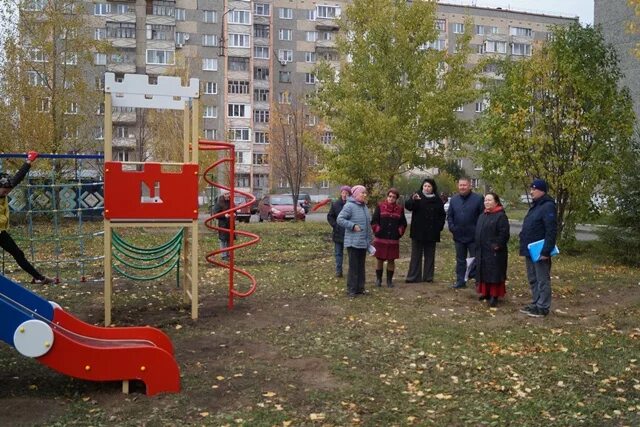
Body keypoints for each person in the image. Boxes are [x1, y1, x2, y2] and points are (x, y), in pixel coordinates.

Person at [0, 151, 53, 285]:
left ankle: (39, 278)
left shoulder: (5, 190)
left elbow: (17, 178)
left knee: (18, 254)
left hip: (1, 233)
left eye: (9, 190)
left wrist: (29, 161)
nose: (7, 192)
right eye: (5, 190)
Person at [519, 179, 557, 318]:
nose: (531, 191)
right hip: (530, 250)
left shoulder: (547, 206)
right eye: (531, 189)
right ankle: (536, 302)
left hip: (540, 251)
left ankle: (543, 307)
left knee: (542, 279)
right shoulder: (536, 206)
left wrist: (546, 250)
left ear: (542, 190)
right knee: (533, 278)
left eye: (534, 189)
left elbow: (551, 230)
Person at [404, 178, 446, 283]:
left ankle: (428, 277)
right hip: (418, 231)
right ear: (422, 187)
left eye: (429, 186)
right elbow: (408, 206)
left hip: (432, 232)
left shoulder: (437, 200)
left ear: (433, 188)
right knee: (416, 255)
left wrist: (439, 227)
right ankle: (413, 276)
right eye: (425, 186)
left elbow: (442, 215)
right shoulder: (417, 195)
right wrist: (413, 200)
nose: (426, 188)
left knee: (430, 255)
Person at [447, 177, 484, 289]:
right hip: (458, 235)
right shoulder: (454, 200)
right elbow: (450, 216)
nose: (462, 187)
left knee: (476, 260)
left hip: (473, 237)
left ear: (470, 186)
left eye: (465, 185)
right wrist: (452, 228)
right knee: (460, 260)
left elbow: (482, 217)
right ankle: (460, 281)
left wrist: (478, 231)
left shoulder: (478, 199)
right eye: (460, 185)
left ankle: (478, 282)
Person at [474, 192, 510, 307]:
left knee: (494, 272)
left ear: (496, 202)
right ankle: (486, 293)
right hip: (482, 250)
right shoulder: (483, 215)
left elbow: (504, 234)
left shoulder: (500, 216)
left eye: (489, 200)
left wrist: (497, 245)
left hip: (495, 251)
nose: (487, 202)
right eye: (485, 200)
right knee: (484, 271)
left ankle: (494, 295)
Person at [337, 185, 372, 298]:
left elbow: (367, 225)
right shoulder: (349, 206)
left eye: (365, 193)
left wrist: (369, 241)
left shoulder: (364, 207)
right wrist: (352, 226)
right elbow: (340, 219)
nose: (364, 195)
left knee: (361, 266)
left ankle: (360, 288)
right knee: (353, 267)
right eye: (362, 193)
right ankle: (351, 290)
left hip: (363, 242)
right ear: (356, 194)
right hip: (353, 242)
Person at [371, 188, 407, 288]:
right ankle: (378, 280)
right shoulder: (380, 206)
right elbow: (374, 221)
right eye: (390, 196)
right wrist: (377, 230)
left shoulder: (400, 209)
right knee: (380, 259)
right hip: (381, 238)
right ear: (387, 196)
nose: (391, 198)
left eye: (394, 197)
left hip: (393, 239)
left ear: (396, 199)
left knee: (391, 260)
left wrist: (399, 232)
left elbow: (403, 224)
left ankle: (389, 281)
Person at [327, 186, 351, 278]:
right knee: (338, 253)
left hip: (349, 233)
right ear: (341, 193)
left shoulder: (352, 205)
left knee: (350, 254)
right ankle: (338, 271)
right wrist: (335, 225)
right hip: (338, 233)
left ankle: (351, 271)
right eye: (343, 193)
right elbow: (330, 216)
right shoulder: (335, 204)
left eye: (347, 193)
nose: (345, 195)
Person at [212, 191, 234, 261]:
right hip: (223, 224)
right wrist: (224, 215)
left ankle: (228, 254)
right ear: (223, 195)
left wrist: (234, 214)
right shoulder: (219, 203)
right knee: (223, 239)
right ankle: (223, 255)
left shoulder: (231, 202)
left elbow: (234, 210)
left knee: (229, 239)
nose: (227, 195)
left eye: (228, 194)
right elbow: (216, 214)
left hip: (230, 223)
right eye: (226, 194)